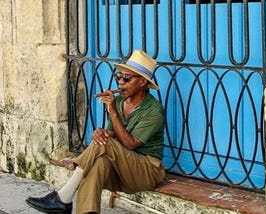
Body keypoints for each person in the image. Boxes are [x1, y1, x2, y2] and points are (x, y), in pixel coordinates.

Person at [26, 50, 166, 214]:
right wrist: (100, 133)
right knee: (97, 163)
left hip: (146, 171)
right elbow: (111, 135)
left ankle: (63, 195)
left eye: (127, 78)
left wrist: (112, 112)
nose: (120, 82)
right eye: (118, 76)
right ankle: (78, 207)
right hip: (122, 170)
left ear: (142, 82)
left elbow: (130, 144)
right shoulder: (119, 101)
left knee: (102, 147)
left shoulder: (153, 110)